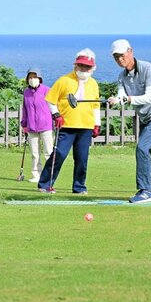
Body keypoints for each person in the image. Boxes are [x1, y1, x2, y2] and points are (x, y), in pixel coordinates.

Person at [108, 39, 151, 203]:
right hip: (145, 117)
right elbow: (122, 96)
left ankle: (145, 190)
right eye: (116, 57)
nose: (120, 59)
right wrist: (116, 100)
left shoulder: (148, 69)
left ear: (131, 51)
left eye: (122, 55)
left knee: (141, 149)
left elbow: (149, 97)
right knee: (145, 152)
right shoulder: (122, 76)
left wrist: (126, 99)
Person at [37, 48, 101, 194]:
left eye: (87, 66)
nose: (83, 69)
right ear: (75, 65)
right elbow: (51, 100)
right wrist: (56, 115)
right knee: (58, 154)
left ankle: (79, 187)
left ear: (92, 68)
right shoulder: (64, 80)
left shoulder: (94, 84)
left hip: (86, 126)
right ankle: (45, 184)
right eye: (81, 65)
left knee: (82, 159)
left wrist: (97, 124)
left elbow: (96, 105)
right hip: (66, 125)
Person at [20, 67, 54, 183]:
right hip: (31, 126)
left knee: (48, 152)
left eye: (35, 77)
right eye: (30, 77)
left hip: (46, 126)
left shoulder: (46, 90)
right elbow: (25, 109)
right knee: (35, 153)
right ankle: (36, 175)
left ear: (40, 78)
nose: (32, 79)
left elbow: (52, 106)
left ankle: (49, 175)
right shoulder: (26, 92)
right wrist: (24, 124)